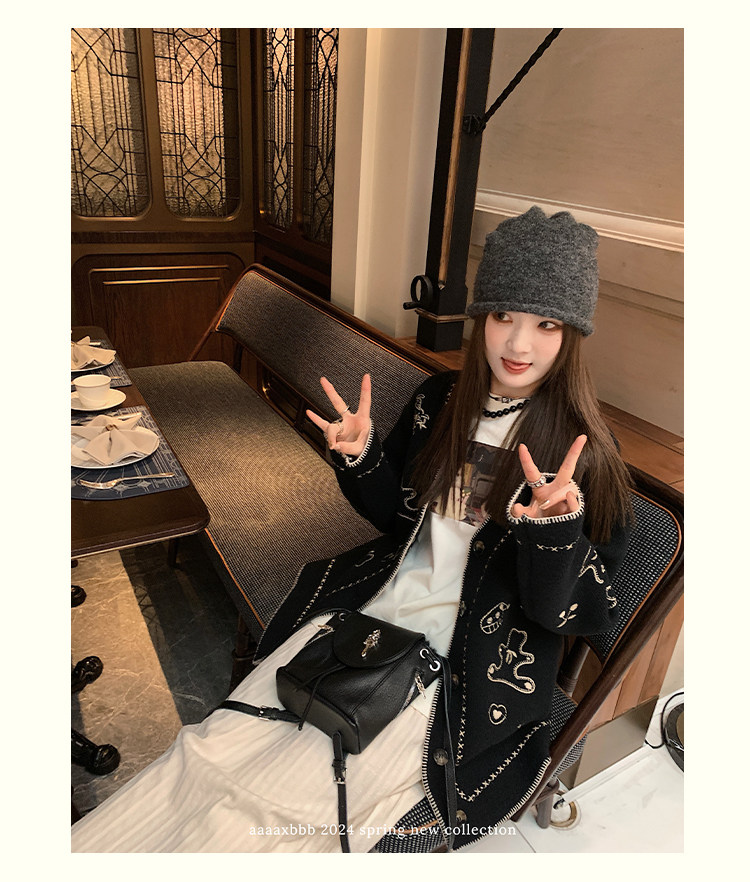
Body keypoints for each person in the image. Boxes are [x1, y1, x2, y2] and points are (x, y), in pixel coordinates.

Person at [71, 206, 633, 853]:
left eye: (546, 324)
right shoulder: (441, 401)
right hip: (379, 607)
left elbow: (584, 614)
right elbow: (397, 518)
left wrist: (555, 534)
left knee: (293, 807)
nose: (518, 344)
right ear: (482, 316)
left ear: (572, 335)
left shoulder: (586, 456)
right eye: (503, 315)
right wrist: (362, 457)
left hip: (467, 659)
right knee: (209, 750)